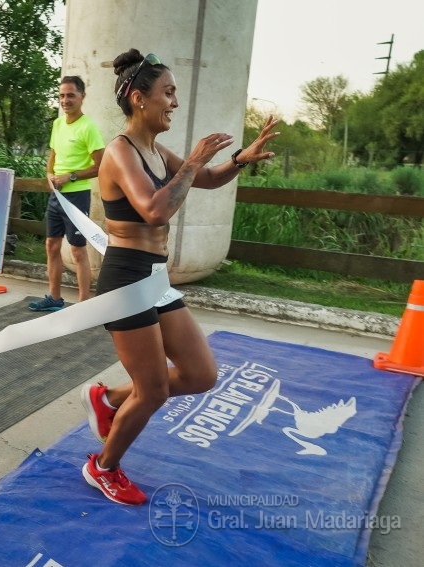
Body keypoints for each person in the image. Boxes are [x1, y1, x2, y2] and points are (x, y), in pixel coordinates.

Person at [79, 49, 279, 505]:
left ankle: (108, 398)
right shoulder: (120, 151)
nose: (174, 102)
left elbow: (205, 179)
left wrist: (240, 160)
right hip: (127, 280)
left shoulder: (153, 150)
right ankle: (102, 467)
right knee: (151, 392)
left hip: (154, 278)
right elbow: (153, 210)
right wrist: (191, 161)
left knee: (200, 374)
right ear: (137, 99)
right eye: (167, 93)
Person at [28, 76, 105, 312]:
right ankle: (54, 297)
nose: (65, 100)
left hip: (77, 196)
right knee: (51, 244)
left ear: (82, 96)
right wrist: (50, 174)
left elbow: (100, 166)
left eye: (70, 95)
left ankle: (83, 305)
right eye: (61, 95)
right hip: (56, 196)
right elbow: (52, 157)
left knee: (77, 249)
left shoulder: (88, 127)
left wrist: (69, 177)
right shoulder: (58, 124)